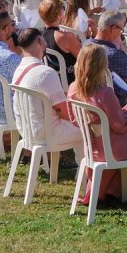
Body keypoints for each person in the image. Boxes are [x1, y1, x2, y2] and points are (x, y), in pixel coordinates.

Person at [68, 43, 127, 210]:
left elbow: (75, 120)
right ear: (102, 66)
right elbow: (120, 125)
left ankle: (118, 190)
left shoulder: (73, 89)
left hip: (93, 147)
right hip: (114, 148)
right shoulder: (105, 93)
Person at [9, 28, 86, 161]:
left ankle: (85, 173)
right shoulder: (45, 73)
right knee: (93, 129)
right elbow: (64, 112)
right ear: (40, 41)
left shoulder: (19, 69)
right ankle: (89, 174)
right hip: (48, 133)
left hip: (26, 130)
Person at [85, 11, 127, 92]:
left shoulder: (86, 44)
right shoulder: (113, 54)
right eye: (121, 30)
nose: (120, 33)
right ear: (113, 28)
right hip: (119, 97)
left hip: (93, 93)